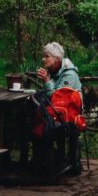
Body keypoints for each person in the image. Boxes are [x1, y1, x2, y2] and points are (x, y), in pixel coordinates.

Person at [33, 42, 83, 176]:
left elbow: (58, 100)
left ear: (56, 59)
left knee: (44, 126)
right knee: (30, 117)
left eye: (46, 56)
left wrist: (46, 81)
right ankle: (41, 163)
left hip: (70, 114)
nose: (43, 59)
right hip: (55, 111)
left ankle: (50, 165)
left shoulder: (69, 74)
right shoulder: (52, 70)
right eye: (43, 56)